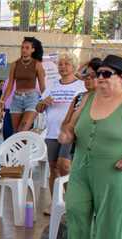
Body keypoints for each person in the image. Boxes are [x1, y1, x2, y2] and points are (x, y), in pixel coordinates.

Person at [60, 54, 122, 239]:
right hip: (81, 167)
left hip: (114, 170)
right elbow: (70, 126)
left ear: (121, 77)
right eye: (98, 73)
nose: (99, 78)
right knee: (76, 208)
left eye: (106, 74)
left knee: (112, 215)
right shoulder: (87, 99)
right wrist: (67, 134)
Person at [35, 53, 85, 214]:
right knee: (53, 168)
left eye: (66, 64)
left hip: (70, 133)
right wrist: (43, 103)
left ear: (74, 66)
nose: (62, 67)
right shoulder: (52, 85)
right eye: (60, 64)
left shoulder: (81, 86)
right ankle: (55, 202)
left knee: (65, 166)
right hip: (51, 132)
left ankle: (70, 201)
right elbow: (38, 108)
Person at [0, 36, 46, 133]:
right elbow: (10, 85)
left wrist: (44, 100)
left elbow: (42, 86)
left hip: (32, 98)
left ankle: (25, 147)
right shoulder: (14, 64)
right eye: (22, 47)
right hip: (17, 99)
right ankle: (24, 148)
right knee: (16, 133)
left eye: (27, 48)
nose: (23, 50)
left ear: (33, 50)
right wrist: (3, 101)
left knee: (23, 129)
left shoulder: (37, 64)